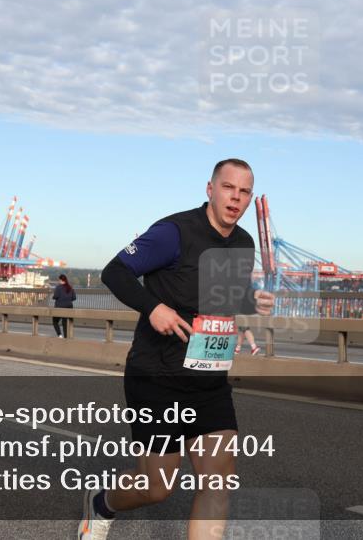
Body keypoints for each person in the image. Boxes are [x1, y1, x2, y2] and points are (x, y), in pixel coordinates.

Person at [80, 159, 275, 540]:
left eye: (244, 191)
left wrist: (250, 302)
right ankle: (101, 504)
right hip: (158, 377)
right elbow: (114, 271)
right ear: (210, 188)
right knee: (158, 487)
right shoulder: (174, 233)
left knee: (217, 483)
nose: (236, 198)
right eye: (228, 188)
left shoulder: (243, 243)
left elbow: (220, 293)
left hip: (209, 381)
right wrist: (153, 307)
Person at [52, 273, 76, 338]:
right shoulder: (70, 287)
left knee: (55, 321)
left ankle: (59, 335)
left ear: (60, 280)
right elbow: (74, 298)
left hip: (59, 307)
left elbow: (55, 296)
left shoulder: (58, 287)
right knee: (65, 323)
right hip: (68, 307)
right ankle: (66, 337)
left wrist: (54, 297)